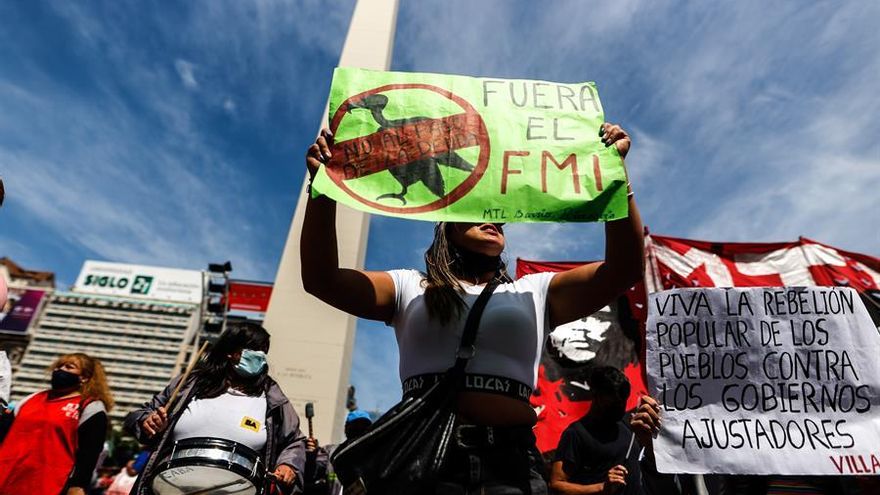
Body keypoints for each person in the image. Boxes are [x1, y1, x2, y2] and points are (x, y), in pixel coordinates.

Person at [301, 122, 644, 493]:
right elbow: (322, 279)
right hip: (428, 465)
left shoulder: (536, 290)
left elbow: (623, 270)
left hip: (512, 468)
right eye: (477, 207)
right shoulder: (408, 287)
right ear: (446, 226)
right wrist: (322, 190)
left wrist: (617, 177)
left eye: (499, 213)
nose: (493, 217)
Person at [124, 322, 306, 494]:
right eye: (253, 349)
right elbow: (140, 415)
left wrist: (288, 465)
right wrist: (147, 422)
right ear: (230, 351)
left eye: (264, 351)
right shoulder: (189, 385)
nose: (260, 356)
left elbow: (294, 441)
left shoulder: (273, 398)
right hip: (171, 486)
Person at [0, 352, 114, 495]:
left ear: (84, 377)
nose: (59, 370)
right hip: (6, 476)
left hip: (48, 485)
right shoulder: (31, 399)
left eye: (69, 367)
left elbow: (89, 454)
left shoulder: (90, 407)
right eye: (58, 366)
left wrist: (78, 485)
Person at [549, 367, 643, 495]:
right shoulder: (576, 434)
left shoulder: (627, 428)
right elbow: (557, 485)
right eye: (613, 403)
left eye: (623, 402)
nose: (620, 408)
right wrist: (602, 488)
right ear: (595, 395)